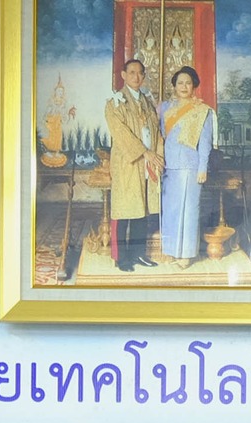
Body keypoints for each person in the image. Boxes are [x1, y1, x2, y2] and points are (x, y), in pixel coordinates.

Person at [105, 57, 163, 271]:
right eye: (131, 72)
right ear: (123, 75)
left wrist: (157, 155)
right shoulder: (115, 102)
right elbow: (121, 134)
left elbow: (156, 131)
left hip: (147, 164)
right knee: (123, 211)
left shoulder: (147, 101)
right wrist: (144, 152)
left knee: (142, 211)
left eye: (140, 73)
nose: (136, 77)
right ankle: (121, 258)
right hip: (128, 163)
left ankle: (139, 254)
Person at [158, 66, 216, 265]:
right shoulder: (164, 108)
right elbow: (158, 137)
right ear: (174, 85)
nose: (184, 86)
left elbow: (205, 142)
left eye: (188, 83)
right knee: (171, 210)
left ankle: (186, 254)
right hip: (168, 166)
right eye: (180, 82)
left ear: (194, 86)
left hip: (191, 167)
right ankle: (170, 251)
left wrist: (203, 168)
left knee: (190, 209)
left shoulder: (202, 111)